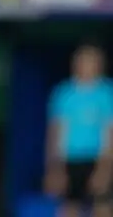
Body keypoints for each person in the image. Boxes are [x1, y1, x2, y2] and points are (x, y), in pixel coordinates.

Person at [44, 44, 113, 217]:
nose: (86, 66)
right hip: (70, 160)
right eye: (82, 61)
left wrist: (105, 168)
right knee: (69, 208)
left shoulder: (106, 93)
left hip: (98, 159)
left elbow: (109, 131)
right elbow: (56, 131)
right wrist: (54, 168)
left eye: (91, 62)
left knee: (102, 206)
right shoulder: (64, 93)